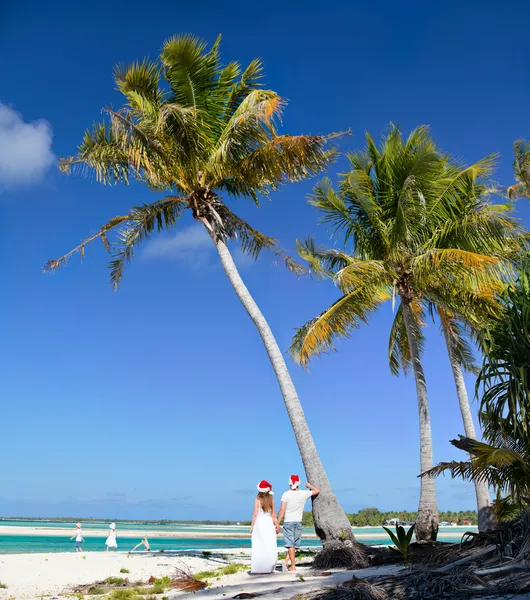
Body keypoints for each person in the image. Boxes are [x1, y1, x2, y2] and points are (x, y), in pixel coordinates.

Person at [277, 475, 319, 572]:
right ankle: (286, 561)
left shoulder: (286, 494)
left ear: (289, 483)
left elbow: (282, 510)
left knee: (290, 545)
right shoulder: (304, 493)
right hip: (298, 523)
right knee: (293, 545)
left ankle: (293, 566)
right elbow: (317, 491)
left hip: (288, 522)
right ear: (298, 483)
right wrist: (309, 485)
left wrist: (277, 523)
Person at [250, 480, 280, 574]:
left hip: (259, 523)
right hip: (268, 523)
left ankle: (259, 568)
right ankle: (269, 567)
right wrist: (277, 525)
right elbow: (274, 515)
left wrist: (252, 526)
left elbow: (255, 514)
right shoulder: (271, 500)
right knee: (269, 545)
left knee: (259, 545)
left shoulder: (257, 499)